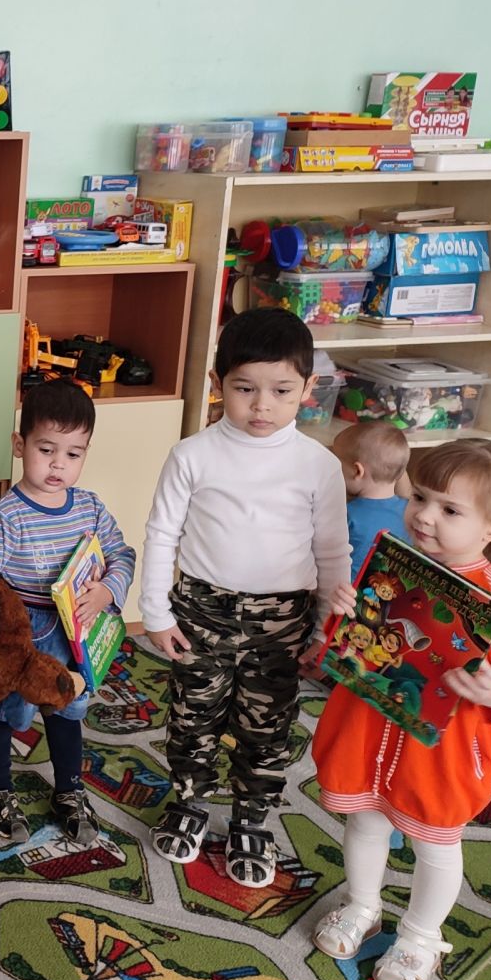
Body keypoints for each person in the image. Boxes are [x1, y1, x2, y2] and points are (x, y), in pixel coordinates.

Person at [140, 308, 351, 887]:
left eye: (281, 390)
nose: (262, 406)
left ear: (308, 387)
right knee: (193, 716)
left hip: (283, 620)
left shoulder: (319, 465)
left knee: (268, 726)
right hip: (201, 611)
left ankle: (252, 819)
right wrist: (155, 611)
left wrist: (329, 629)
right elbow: (162, 535)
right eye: (244, 388)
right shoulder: (192, 454)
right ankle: (188, 801)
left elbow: (333, 552)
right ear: (217, 383)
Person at [312, 439, 491, 980]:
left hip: (441, 754)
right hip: (367, 730)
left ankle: (421, 935)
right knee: (365, 822)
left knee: (436, 846)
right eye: (419, 497)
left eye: (450, 509)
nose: (424, 515)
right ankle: (362, 905)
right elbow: (355, 648)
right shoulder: (390, 563)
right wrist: (342, 616)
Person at [0, 380, 136, 844]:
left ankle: (70, 790)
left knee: (67, 706)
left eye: (73, 454)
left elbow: (122, 554)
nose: (58, 464)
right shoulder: (4, 518)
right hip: (18, 635)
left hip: (73, 629)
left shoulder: (90, 507)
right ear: (20, 445)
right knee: (1, 712)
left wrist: (108, 591)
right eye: (46, 449)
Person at [332, 421, 411, 574]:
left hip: (347, 588)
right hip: (392, 585)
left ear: (357, 471)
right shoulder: (410, 511)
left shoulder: (346, 514)